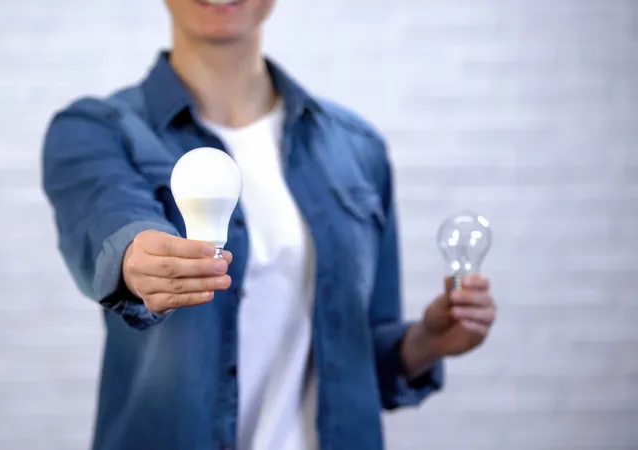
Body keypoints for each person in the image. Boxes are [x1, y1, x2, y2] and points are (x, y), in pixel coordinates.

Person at [41, 1, 497, 449]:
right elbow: (109, 218)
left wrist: (425, 342)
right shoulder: (97, 131)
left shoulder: (356, 149)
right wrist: (138, 258)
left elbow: (362, 360)